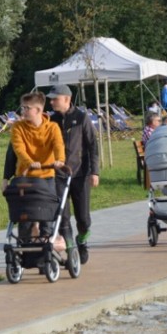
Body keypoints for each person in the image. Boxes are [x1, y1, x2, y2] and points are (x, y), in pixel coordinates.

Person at [47, 85, 99, 265]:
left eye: (55, 98)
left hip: (80, 174)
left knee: (83, 218)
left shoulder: (82, 118)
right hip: (58, 175)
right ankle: (70, 250)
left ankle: (82, 239)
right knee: (63, 216)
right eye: (51, 99)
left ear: (67, 99)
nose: (52, 101)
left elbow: (92, 145)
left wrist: (94, 171)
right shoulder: (51, 121)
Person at [10, 91, 65, 237]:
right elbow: (19, 149)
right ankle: (25, 245)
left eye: (27, 108)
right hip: (26, 176)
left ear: (39, 110)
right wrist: (30, 163)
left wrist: (60, 160)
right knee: (25, 216)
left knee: (47, 214)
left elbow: (58, 145)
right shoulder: (18, 127)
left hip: (47, 176)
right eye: (22, 108)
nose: (23, 111)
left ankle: (47, 243)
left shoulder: (52, 127)